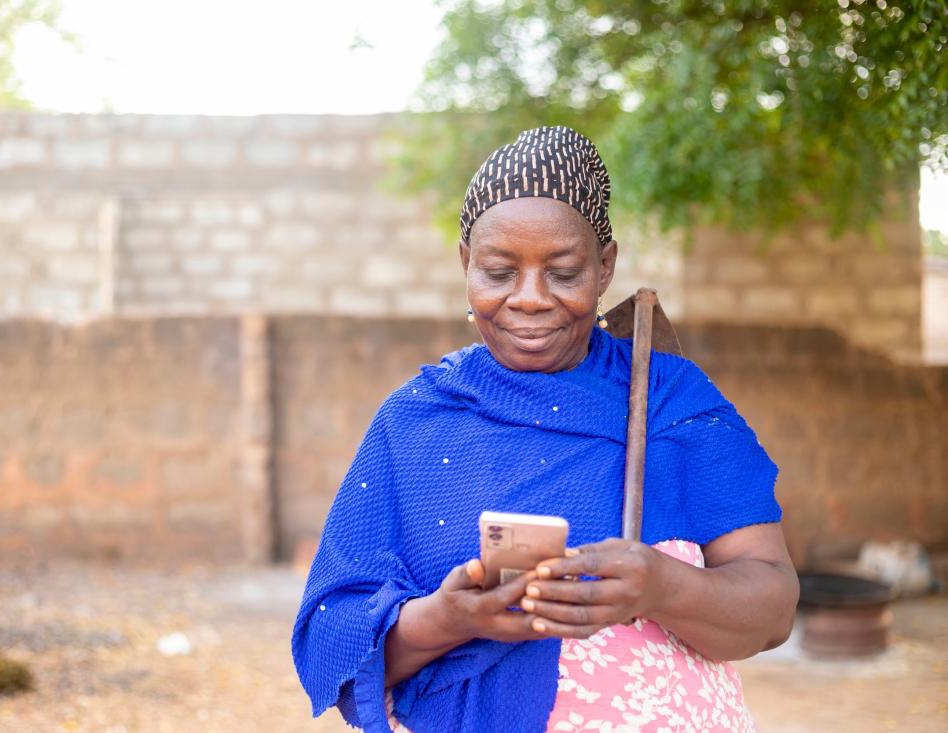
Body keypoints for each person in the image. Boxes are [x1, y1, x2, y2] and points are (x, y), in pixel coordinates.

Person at [292, 126, 799, 733]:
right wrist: (451, 619)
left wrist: (661, 586)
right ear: (465, 265)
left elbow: (770, 607)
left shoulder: (667, 400)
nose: (529, 299)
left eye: (562, 272)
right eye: (499, 272)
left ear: (604, 265)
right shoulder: (418, 419)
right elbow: (334, 637)